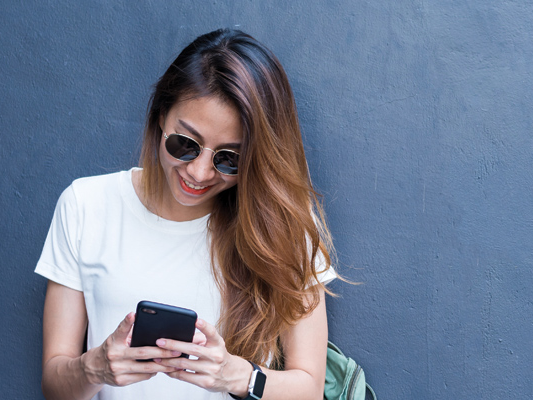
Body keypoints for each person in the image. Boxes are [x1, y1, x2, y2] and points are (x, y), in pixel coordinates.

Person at [35, 28, 339, 400]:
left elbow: (308, 388)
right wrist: (95, 367)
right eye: (186, 144)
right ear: (161, 116)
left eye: (229, 159)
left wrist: (237, 376)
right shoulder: (86, 205)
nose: (199, 173)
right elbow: (55, 385)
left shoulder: (282, 226)